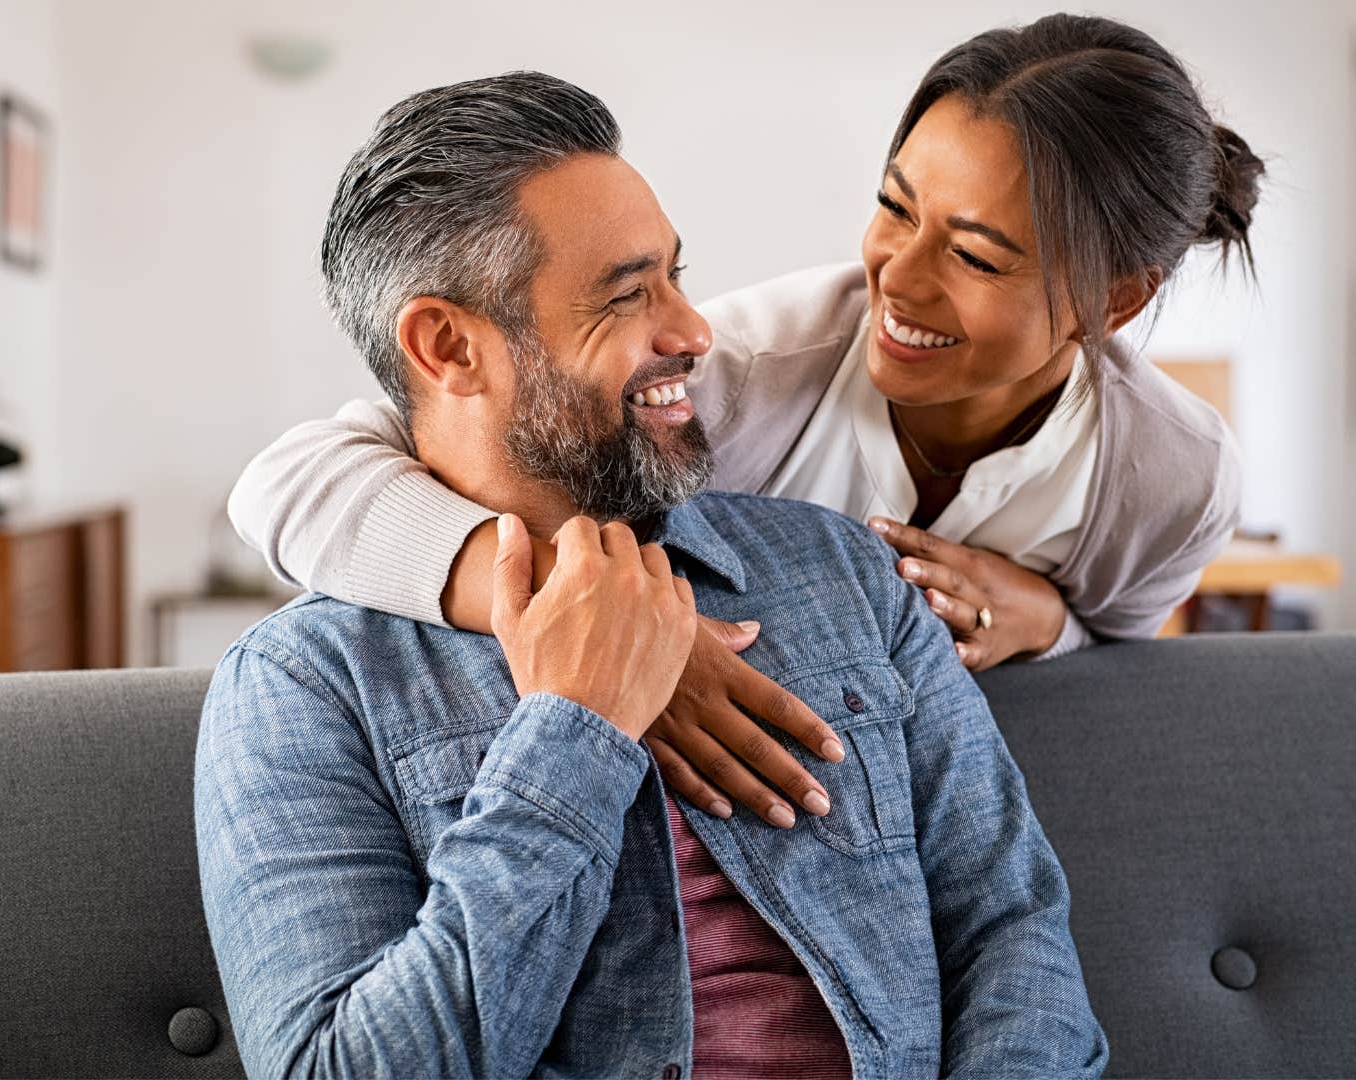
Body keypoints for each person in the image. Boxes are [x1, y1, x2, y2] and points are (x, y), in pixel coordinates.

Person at [196, 71, 1106, 1078]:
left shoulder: (847, 573)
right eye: (628, 295)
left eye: (676, 275)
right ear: (448, 346)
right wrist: (574, 732)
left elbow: (1014, 929)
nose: (694, 331)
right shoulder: (305, 686)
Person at [227, 14, 1258, 829]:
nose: (896, 276)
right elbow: (289, 482)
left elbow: (1123, 662)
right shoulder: (747, 372)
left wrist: (1049, 622)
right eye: (894, 208)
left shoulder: (1173, 477)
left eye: (977, 255)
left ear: (1113, 301)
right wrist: (602, 624)